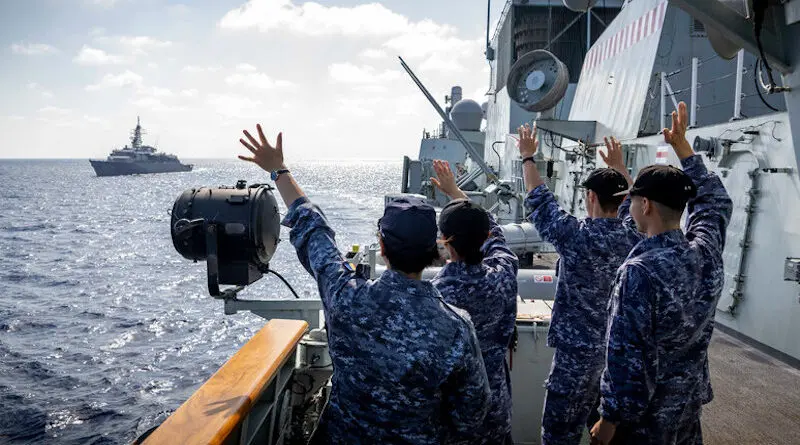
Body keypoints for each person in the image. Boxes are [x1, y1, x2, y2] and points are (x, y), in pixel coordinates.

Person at [237, 125, 491, 444]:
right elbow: (472, 415)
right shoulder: (456, 328)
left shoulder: (345, 296)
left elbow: (314, 231)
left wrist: (279, 170)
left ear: (382, 247)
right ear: (436, 251)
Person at [590, 102, 733, 445]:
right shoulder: (706, 253)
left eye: (632, 200)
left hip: (644, 421)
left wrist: (608, 419)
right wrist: (684, 150)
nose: (628, 206)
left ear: (646, 205)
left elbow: (625, 355)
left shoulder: (638, 272)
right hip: (686, 410)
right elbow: (714, 203)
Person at [517, 124, 644, 445]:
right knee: (610, 432)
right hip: (617, 357)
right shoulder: (634, 235)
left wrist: (528, 157)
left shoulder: (575, 236)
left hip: (576, 356)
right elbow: (631, 206)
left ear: (590, 197)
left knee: (560, 433)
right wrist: (620, 168)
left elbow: (539, 200)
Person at [429, 159, 519, 444]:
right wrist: (456, 193)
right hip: (496, 412)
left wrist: (454, 194)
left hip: (451, 421)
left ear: (444, 240)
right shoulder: (504, 273)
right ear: (485, 236)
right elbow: (495, 234)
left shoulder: (435, 295)